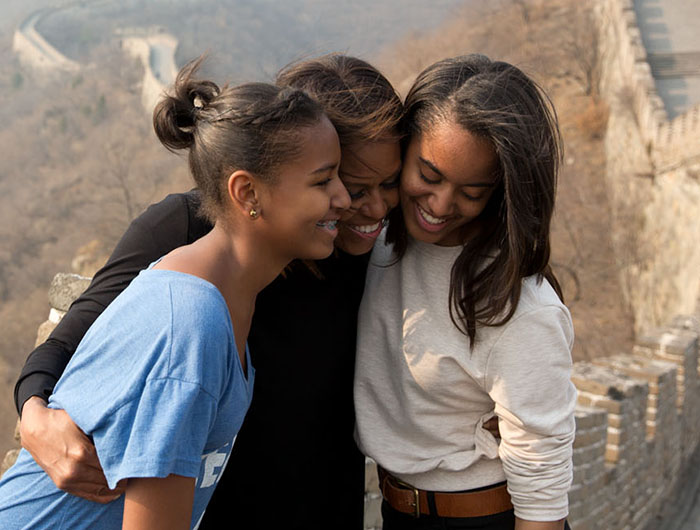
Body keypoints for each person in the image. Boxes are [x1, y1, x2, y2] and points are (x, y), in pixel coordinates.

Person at [12, 54, 404, 529]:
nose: (371, 207)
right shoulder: (191, 264)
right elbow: (72, 346)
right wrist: (36, 420)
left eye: (391, 183)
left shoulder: (376, 255)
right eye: (342, 183)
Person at [354, 55, 577, 530]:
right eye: (428, 175)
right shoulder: (375, 241)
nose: (439, 205)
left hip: (484, 517)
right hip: (395, 509)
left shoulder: (518, 305)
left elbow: (541, 487)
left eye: (471, 192)